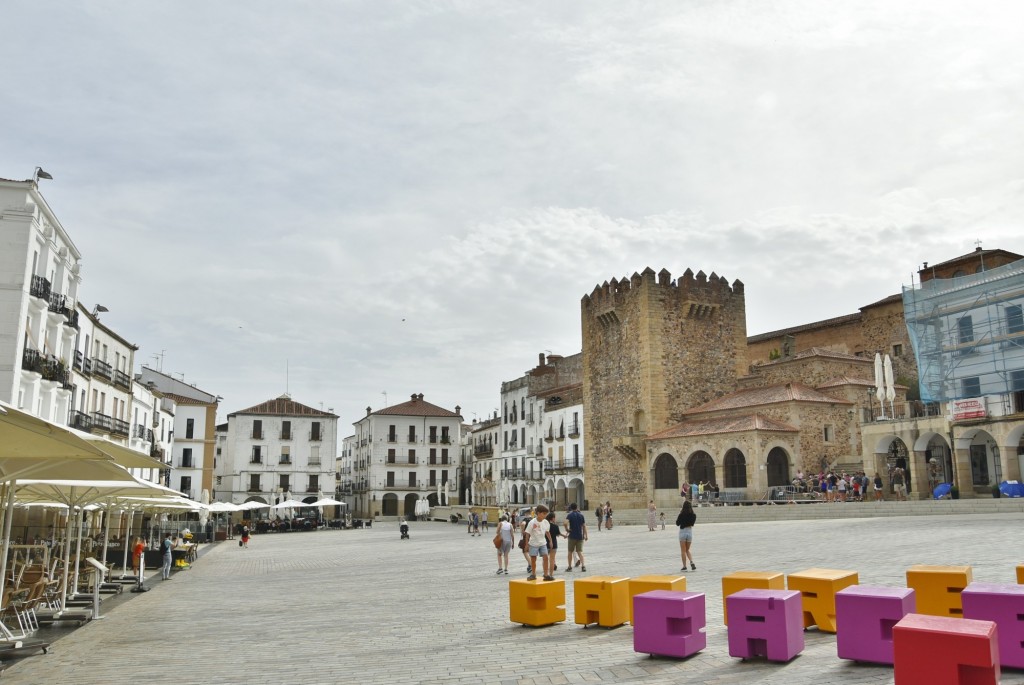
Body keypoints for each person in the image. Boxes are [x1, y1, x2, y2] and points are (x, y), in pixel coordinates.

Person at [524, 504, 552, 581]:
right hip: (533, 543)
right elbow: (527, 533)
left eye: (546, 514)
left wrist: (550, 541)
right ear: (538, 513)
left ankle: (546, 575)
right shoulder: (532, 522)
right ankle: (533, 574)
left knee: (546, 557)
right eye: (544, 514)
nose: (545, 516)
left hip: (543, 543)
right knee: (533, 559)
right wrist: (526, 544)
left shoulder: (546, 522)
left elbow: (547, 532)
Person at [564, 502, 587, 572]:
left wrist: (567, 529)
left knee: (570, 552)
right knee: (580, 552)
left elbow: (565, 523)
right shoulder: (581, 515)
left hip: (572, 536)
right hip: (579, 536)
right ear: (577, 507)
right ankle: (583, 566)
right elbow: (584, 526)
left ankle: (569, 567)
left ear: (571, 508)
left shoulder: (569, 515)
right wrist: (585, 535)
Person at [675, 499, 697, 571]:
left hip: (683, 532)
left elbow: (677, 523)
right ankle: (691, 561)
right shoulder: (693, 515)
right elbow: (692, 524)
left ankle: (684, 566)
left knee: (683, 551)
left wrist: (680, 515)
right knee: (687, 550)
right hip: (689, 532)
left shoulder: (681, 514)